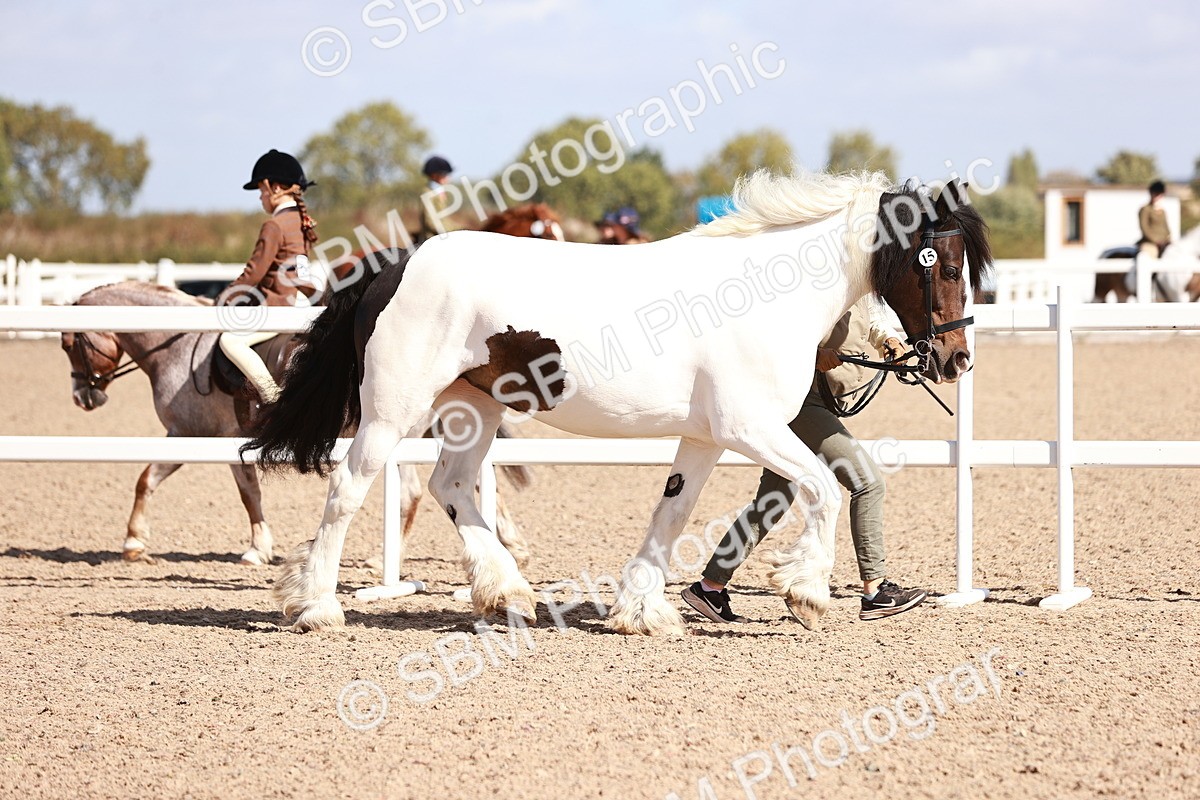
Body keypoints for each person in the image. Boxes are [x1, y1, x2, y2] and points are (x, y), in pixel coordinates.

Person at [682, 295, 928, 624]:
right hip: (802, 404)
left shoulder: (861, 280)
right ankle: (875, 590)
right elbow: (775, 328)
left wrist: (890, 341)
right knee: (867, 483)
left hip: (819, 401)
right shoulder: (812, 281)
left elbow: (871, 318)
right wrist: (812, 354)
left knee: (773, 499)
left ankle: (709, 588)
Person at [218, 149, 319, 404]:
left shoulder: (274, 225)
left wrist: (224, 298)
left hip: (281, 305)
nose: (260, 197)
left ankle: (271, 396)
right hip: (305, 303)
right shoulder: (300, 221)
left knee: (229, 341)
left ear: (275, 188)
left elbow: (254, 273)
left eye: (261, 191)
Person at [418, 155, 463, 242]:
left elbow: (443, 220)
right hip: (431, 239)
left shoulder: (439, 192)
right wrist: (450, 231)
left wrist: (460, 228)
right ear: (434, 175)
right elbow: (430, 221)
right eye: (445, 175)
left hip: (441, 236)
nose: (448, 178)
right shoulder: (427, 193)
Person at [1138, 180, 1171, 260]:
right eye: (1155, 194)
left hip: (1164, 242)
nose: (1157, 197)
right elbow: (1144, 228)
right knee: (1151, 253)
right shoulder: (1145, 209)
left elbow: (1166, 227)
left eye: (1159, 195)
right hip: (1150, 242)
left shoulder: (1162, 211)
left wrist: (1168, 238)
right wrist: (1156, 241)